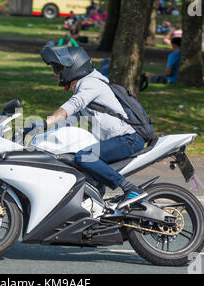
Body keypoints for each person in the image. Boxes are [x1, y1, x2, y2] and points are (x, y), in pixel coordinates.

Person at [30, 46, 148, 212]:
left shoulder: (91, 83)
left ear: (74, 66)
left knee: (84, 156)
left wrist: (44, 123)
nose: (56, 73)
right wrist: (39, 134)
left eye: (58, 68)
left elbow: (73, 105)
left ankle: (130, 189)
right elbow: (71, 119)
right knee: (72, 159)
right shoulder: (86, 85)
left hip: (128, 139)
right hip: (119, 139)